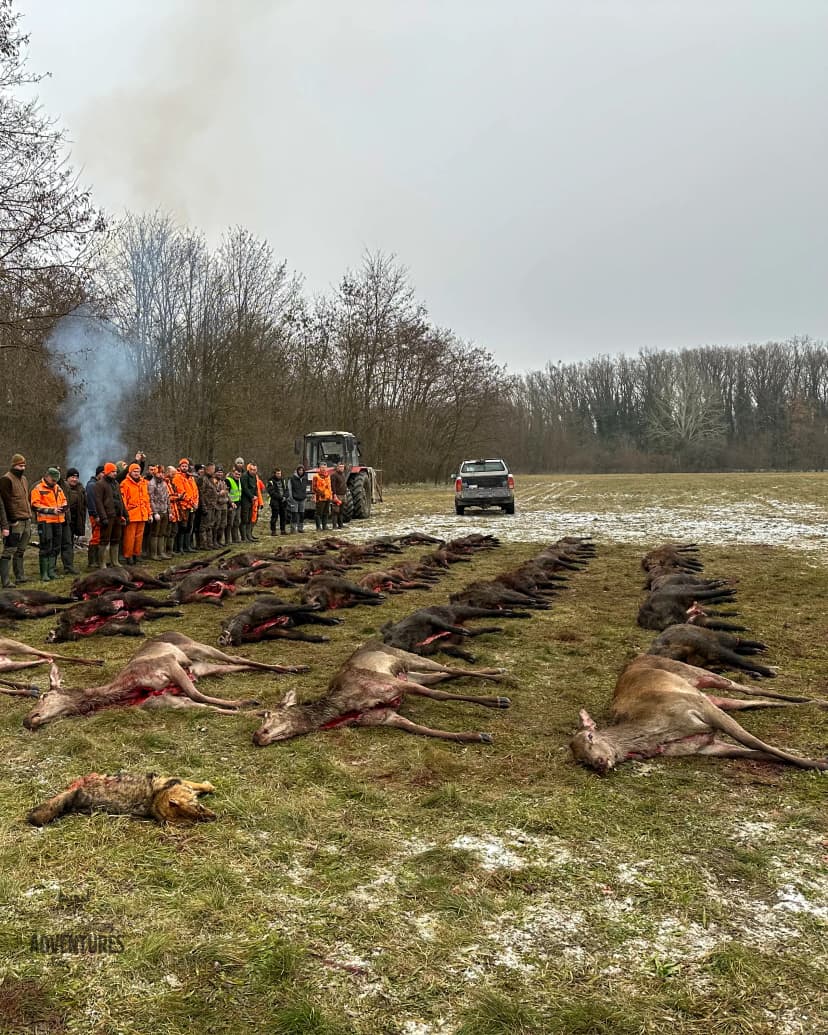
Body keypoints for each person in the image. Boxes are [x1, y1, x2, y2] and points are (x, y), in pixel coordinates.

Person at [0, 453, 32, 587]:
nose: (22, 468)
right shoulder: (6, 479)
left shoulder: (24, 479)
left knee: (21, 550)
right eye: (20, 465)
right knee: (9, 550)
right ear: (14, 465)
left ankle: (20, 576)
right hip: (16, 521)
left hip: (26, 519)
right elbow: (6, 502)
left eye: (24, 465)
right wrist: (12, 521)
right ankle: (5, 580)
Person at [30, 466, 68, 582]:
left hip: (58, 521)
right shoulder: (38, 488)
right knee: (46, 546)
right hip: (45, 521)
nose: (55, 482)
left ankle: (52, 571)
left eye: (56, 480)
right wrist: (51, 510)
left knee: (56, 547)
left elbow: (64, 500)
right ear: (47, 477)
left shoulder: (58, 488)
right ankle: (44, 574)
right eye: (53, 480)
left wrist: (64, 507)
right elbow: (35, 505)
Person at [94, 462, 126, 568]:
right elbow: (98, 502)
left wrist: (125, 514)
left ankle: (115, 561)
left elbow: (120, 500)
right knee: (104, 540)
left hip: (117, 515)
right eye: (113, 471)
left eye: (116, 471)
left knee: (116, 538)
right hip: (107, 516)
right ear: (107, 472)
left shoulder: (116, 483)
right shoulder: (100, 484)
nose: (115, 473)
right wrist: (103, 517)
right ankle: (102, 563)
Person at [120, 463, 152, 565]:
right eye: (134, 471)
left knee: (139, 537)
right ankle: (128, 556)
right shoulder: (125, 484)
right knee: (129, 537)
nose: (137, 473)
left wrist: (149, 513)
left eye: (138, 471)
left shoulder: (143, 483)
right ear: (130, 472)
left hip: (142, 515)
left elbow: (146, 500)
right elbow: (123, 502)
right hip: (131, 515)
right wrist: (124, 515)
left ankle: (136, 554)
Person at [148, 465, 171, 559]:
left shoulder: (164, 484)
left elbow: (167, 498)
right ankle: (153, 554)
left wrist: (170, 511)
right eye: (159, 473)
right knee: (155, 533)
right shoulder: (151, 484)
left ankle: (161, 552)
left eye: (162, 473)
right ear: (155, 473)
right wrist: (154, 512)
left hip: (164, 510)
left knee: (162, 532)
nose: (161, 474)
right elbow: (150, 499)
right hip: (157, 511)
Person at [85, 465, 105, 570]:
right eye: (103, 473)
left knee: (100, 537)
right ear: (98, 474)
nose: (104, 475)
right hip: (95, 515)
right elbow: (91, 502)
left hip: (101, 514)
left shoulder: (99, 484)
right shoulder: (92, 485)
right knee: (96, 537)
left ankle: (98, 560)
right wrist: (95, 515)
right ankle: (92, 561)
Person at [225, 458, 244, 544]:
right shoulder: (228, 480)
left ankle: (235, 538)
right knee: (230, 523)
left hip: (238, 504)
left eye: (239, 475)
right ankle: (227, 540)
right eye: (236, 474)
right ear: (233, 473)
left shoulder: (239, 480)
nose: (237, 476)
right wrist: (230, 503)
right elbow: (227, 493)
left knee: (237, 522)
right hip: (231, 504)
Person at [266, 467, 289, 535]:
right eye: (278, 473)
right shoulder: (271, 481)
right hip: (275, 501)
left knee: (283, 516)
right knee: (274, 516)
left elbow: (286, 490)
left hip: (283, 501)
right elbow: (272, 492)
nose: (279, 475)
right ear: (275, 474)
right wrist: (280, 497)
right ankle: (273, 531)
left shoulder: (283, 480)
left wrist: (285, 496)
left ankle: (283, 530)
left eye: (280, 473)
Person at [240, 461, 259, 541]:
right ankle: (244, 537)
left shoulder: (255, 477)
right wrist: (251, 496)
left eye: (255, 470)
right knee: (245, 519)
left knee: (250, 518)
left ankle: (249, 535)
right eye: (252, 470)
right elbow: (245, 488)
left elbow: (255, 487)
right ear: (249, 469)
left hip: (252, 500)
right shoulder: (244, 476)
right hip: (245, 500)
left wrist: (255, 496)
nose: (253, 471)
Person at [312, 462, 333, 531]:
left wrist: (330, 495)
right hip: (320, 497)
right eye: (322, 467)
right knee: (318, 513)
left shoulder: (328, 476)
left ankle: (324, 526)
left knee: (326, 512)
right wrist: (321, 493)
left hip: (328, 497)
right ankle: (318, 527)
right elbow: (314, 488)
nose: (323, 469)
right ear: (320, 468)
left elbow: (329, 487)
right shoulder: (316, 476)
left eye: (325, 467)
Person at [288, 465, 308, 533]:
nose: (301, 471)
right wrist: (291, 498)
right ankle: (293, 529)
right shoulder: (292, 478)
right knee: (294, 514)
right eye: (299, 470)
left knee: (302, 514)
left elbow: (306, 488)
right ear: (297, 471)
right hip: (294, 499)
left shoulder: (305, 478)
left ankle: (300, 528)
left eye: (302, 470)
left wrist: (305, 496)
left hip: (302, 499)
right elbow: (289, 489)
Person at [330, 462, 348, 530]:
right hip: (337, 495)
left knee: (341, 511)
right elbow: (333, 486)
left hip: (343, 495)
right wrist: (334, 495)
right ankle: (334, 526)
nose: (341, 468)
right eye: (340, 467)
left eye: (342, 467)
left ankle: (341, 525)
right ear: (337, 467)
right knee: (335, 511)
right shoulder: (334, 475)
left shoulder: (343, 475)